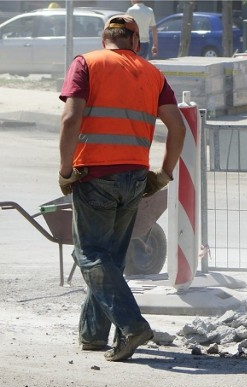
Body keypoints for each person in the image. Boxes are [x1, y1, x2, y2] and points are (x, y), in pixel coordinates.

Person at [57, 15, 185, 362]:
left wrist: (66, 170)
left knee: (90, 255)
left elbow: (71, 118)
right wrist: (165, 172)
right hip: (135, 177)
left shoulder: (87, 63)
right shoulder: (153, 73)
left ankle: (132, 326)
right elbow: (178, 125)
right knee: (109, 258)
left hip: (95, 175)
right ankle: (93, 335)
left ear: (104, 39)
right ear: (136, 43)